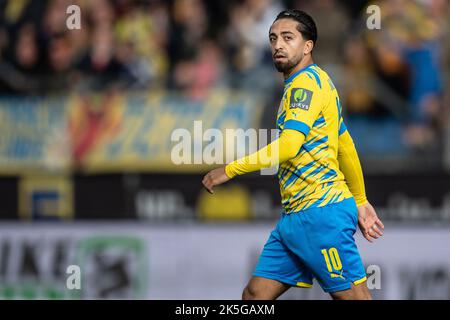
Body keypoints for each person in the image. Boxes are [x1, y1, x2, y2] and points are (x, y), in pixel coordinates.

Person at [202, 9, 384, 300]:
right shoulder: (320, 81)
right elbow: (345, 145)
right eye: (273, 38)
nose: (278, 45)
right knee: (254, 295)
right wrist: (360, 201)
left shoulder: (304, 85)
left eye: (288, 37)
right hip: (295, 219)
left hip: (320, 214)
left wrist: (230, 169)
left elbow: (288, 146)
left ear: (308, 45)